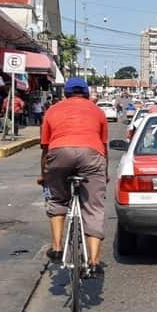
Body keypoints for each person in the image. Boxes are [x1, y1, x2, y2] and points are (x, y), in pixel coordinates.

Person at [39, 78, 109, 277]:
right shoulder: (98, 111)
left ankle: (57, 247)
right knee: (94, 207)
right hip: (92, 155)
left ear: (65, 94)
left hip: (59, 153)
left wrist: (44, 174)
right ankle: (94, 262)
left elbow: (45, 148)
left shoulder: (52, 110)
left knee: (57, 199)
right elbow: (103, 148)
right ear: (87, 94)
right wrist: (103, 174)